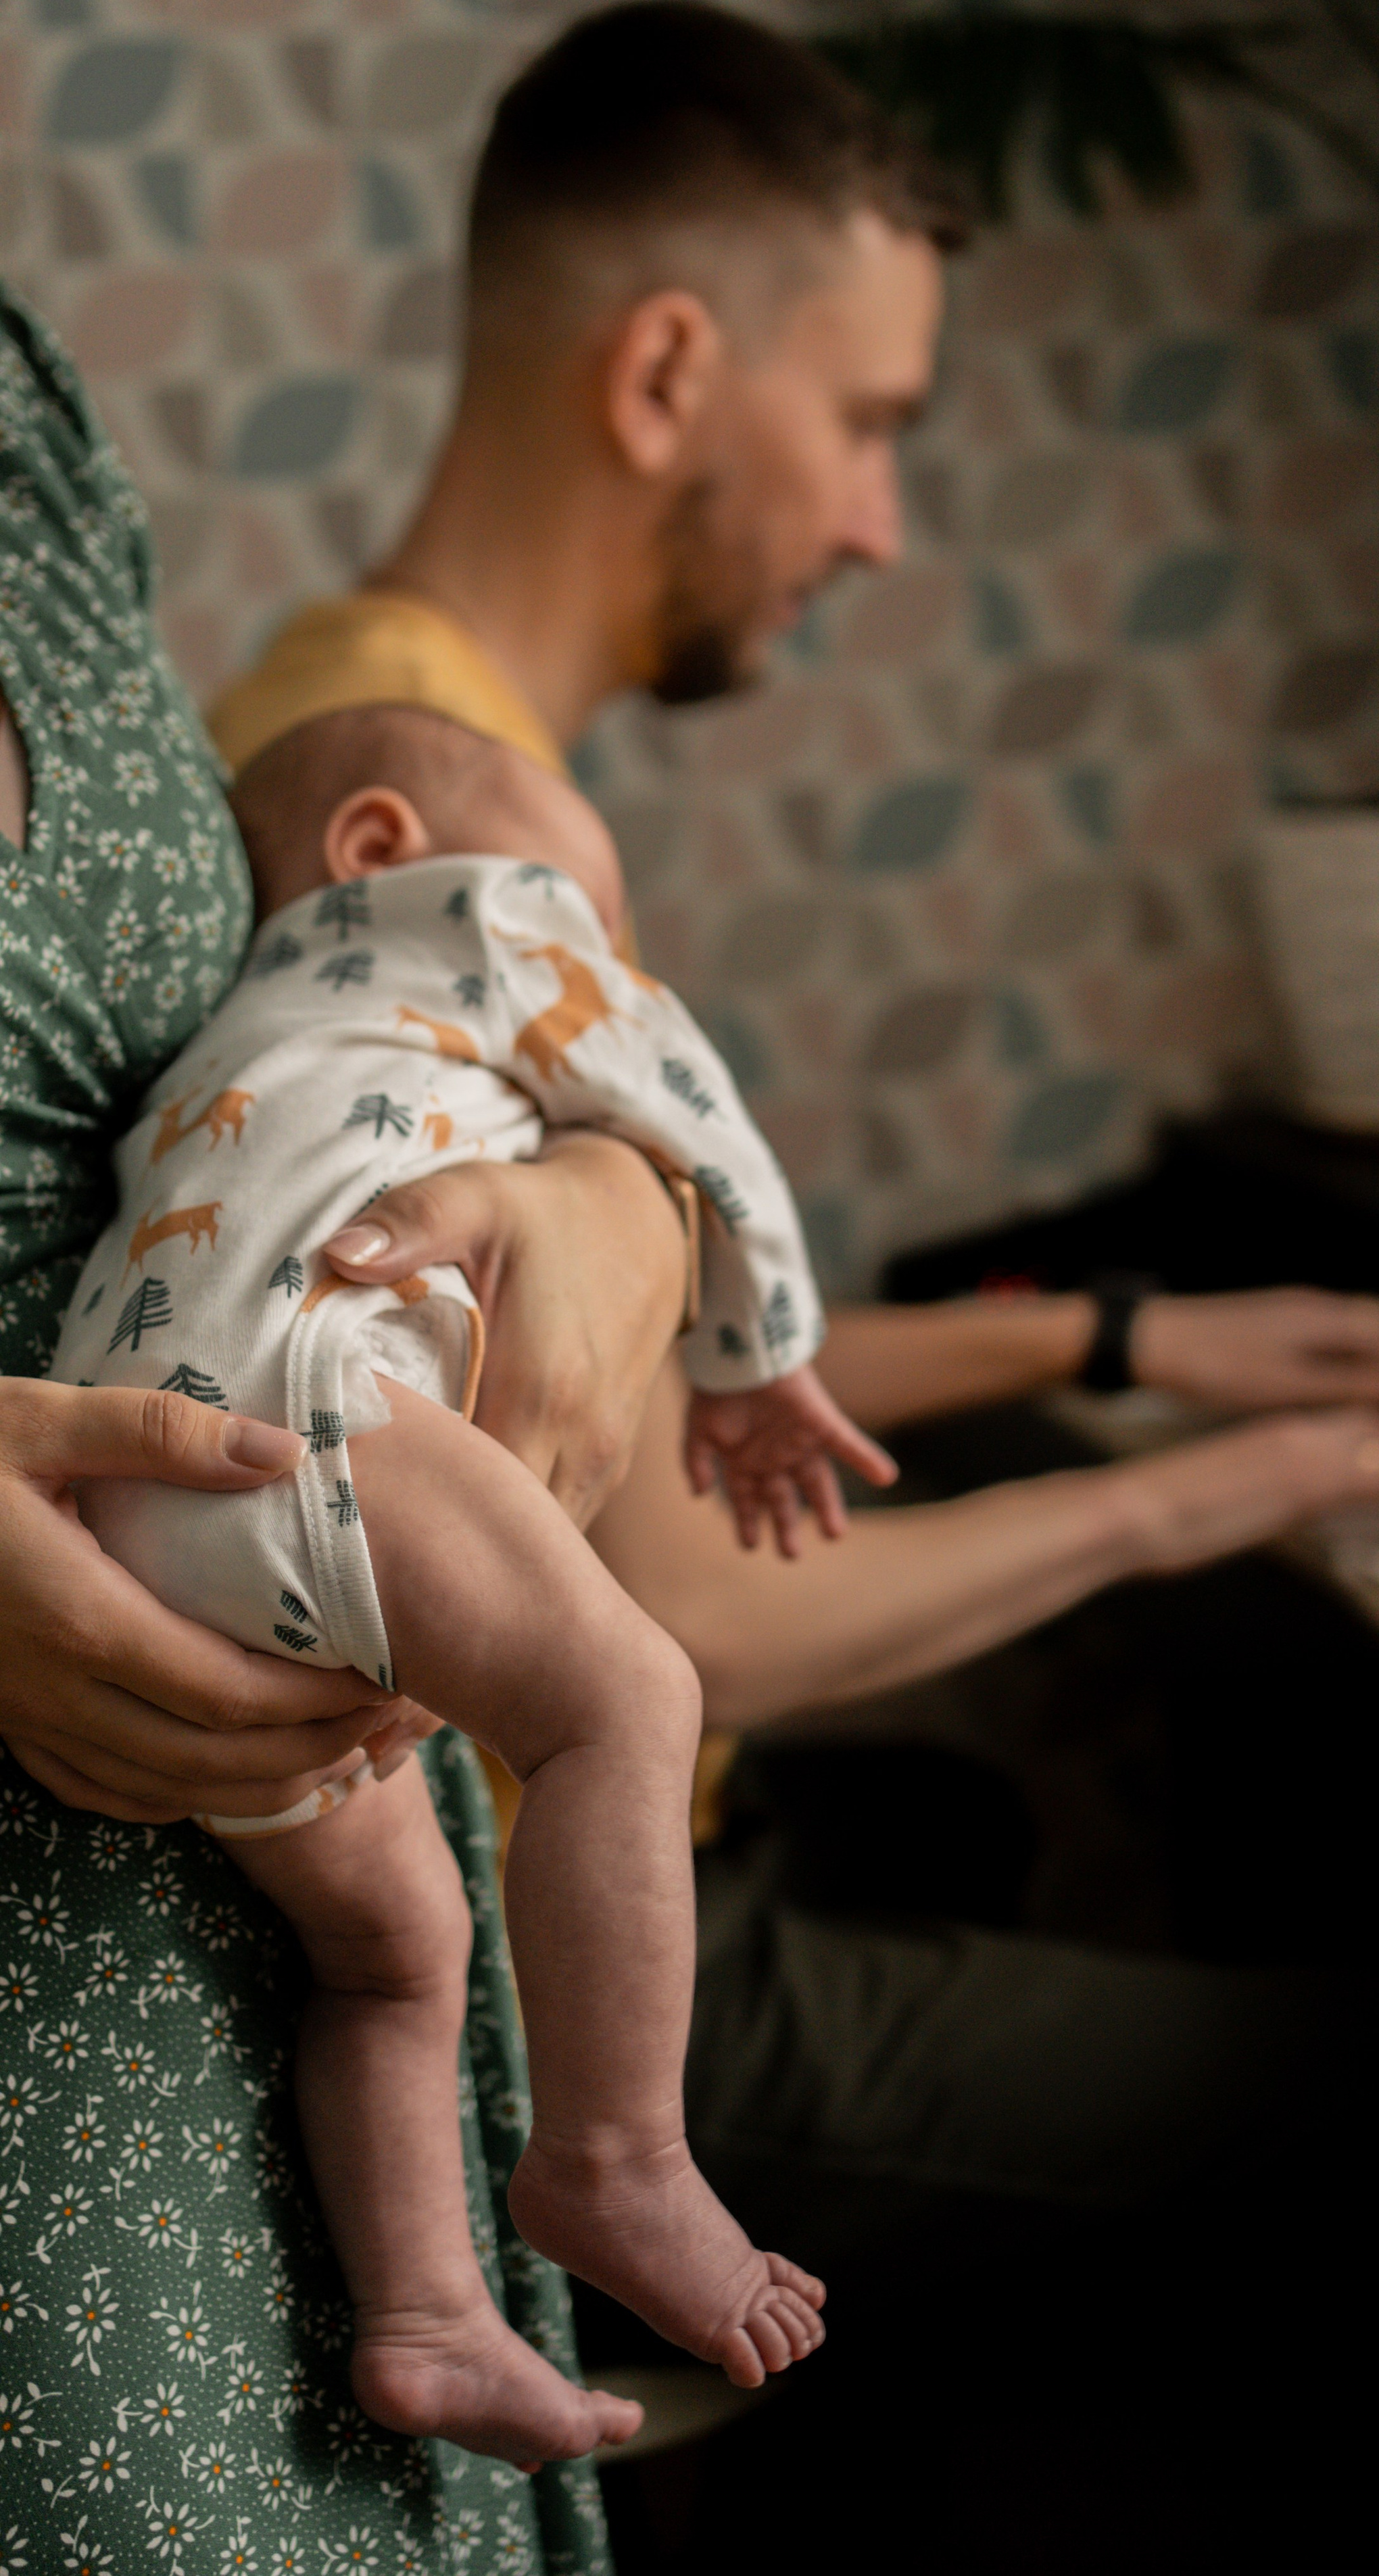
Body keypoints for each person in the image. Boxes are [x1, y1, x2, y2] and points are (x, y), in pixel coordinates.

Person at [0, 13, 1379, 2569]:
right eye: (877, 417)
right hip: (565, 1842)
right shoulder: (476, 835)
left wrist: (1105, 1343)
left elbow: (582, 1368)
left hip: (326, 1608)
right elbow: (677, 1593)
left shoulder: (341, 741)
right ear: (673, 371)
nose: (889, 522)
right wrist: (1212, 1495)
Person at [56, 702, 900, 2457]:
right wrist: (757, 1352)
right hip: (305, 1415)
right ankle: (617, 2153)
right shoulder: (471, 920)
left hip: (117, 1499)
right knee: (630, 1700)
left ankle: (428, 2312)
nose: (603, 951)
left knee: (396, 1945)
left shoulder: (234, 1026)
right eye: (588, 902)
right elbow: (684, 1105)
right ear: (381, 847)